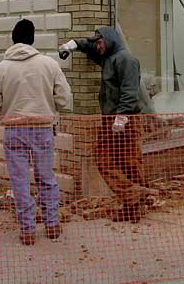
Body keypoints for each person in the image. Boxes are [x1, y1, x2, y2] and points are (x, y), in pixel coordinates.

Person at [0, 19, 73, 246]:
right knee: (46, 177)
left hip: (14, 129)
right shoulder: (49, 64)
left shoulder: (1, 68)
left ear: (13, 40)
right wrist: (48, 106)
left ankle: (27, 231)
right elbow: (64, 99)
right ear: (33, 40)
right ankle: (52, 225)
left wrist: (9, 109)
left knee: (19, 180)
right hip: (43, 128)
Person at [59, 27, 153, 223]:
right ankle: (136, 195)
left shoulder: (125, 60)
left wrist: (122, 116)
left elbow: (130, 90)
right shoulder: (108, 57)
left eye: (100, 42)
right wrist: (72, 45)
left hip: (126, 119)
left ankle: (133, 207)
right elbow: (90, 45)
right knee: (107, 160)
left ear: (110, 40)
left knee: (129, 162)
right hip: (113, 119)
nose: (98, 46)